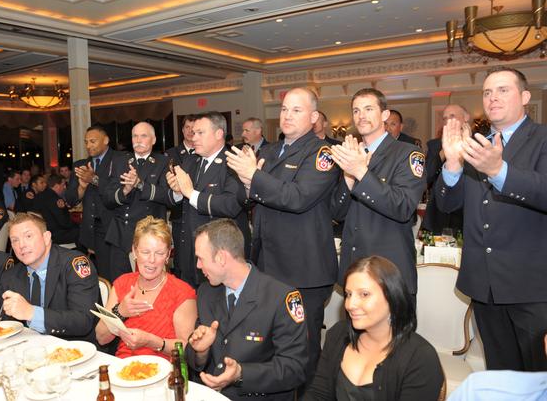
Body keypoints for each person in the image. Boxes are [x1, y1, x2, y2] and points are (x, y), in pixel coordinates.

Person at [435, 66, 547, 371]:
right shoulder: (476, 145)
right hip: (484, 284)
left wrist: (499, 172)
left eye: (502, 90)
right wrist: (454, 166)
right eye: (487, 92)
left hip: (530, 285)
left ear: (525, 96)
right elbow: (447, 204)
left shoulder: (542, 139)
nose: (492, 98)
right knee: (500, 371)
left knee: (537, 375)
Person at [225, 87, 339, 385]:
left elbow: (298, 197)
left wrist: (255, 176)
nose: (287, 115)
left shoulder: (322, 152)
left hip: (304, 269)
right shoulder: (270, 151)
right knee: (268, 343)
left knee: (302, 349)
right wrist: (248, 182)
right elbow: (246, 196)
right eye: (285, 109)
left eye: (296, 110)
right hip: (267, 264)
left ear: (314, 117)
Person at [187, 219, 309, 400]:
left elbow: (294, 368)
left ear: (221, 258)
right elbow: (194, 356)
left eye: (201, 258)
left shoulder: (281, 297)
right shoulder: (207, 292)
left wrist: (241, 374)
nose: (197, 265)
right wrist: (201, 352)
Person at [304, 256, 443, 400]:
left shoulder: (420, 358)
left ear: (392, 297)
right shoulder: (338, 334)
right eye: (348, 294)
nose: (350, 304)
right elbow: (317, 394)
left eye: (364, 294)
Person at [330, 88, 426, 299]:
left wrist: (361, 172)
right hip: (354, 271)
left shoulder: (408, 153)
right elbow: (336, 213)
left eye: (368, 109)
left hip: (388, 271)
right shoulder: (351, 154)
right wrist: (348, 178)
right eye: (356, 110)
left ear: (384, 115)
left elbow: (403, 207)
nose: (361, 116)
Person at [166, 112, 250, 288]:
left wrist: (189, 192)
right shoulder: (191, 161)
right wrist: (178, 192)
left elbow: (230, 205)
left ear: (219, 134)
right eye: (192, 132)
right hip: (190, 250)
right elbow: (180, 202)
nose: (193, 137)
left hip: (219, 254)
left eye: (200, 133)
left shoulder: (234, 162)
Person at [95, 216, 197, 358]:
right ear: (134, 251)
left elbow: (189, 351)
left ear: (168, 255)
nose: (152, 260)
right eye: (145, 252)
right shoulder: (122, 283)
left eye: (159, 253)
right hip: (124, 369)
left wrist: (151, 341)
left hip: (164, 373)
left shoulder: (182, 292)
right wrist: (120, 311)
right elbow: (101, 337)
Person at [0, 212, 99, 341]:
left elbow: (83, 321)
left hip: (73, 349)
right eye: (15, 240)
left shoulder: (73, 264)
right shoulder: (11, 276)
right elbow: (9, 326)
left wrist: (32, 313)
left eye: (28, 236)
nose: (21, 245)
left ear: (46, 238)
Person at [103, 122, 169, 281]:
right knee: (120, 284)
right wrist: (125, 190)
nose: (138, 140)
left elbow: (168, 196)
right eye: (135, 136)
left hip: (150, 236)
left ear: (153, 140)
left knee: (149, 284)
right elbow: (108, 198)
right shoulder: (120, 161)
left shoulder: (163, 162)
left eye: (143, 136)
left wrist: (139, 184)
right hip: (121, 234)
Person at [65, 126, 122, 281]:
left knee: (115, 276)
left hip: (114, 228)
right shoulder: (80, 165)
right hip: (90, 229)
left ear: (105, 140)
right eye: (86, 142)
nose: (88, 145)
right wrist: (82, 187)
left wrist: (94, 179)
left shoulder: (119, 160)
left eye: (93, 141)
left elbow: (118, 191)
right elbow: (70, 200)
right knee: (93, 278)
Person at [421, 104, 469, 235]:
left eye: (452, 116)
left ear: (466, 118)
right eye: (445, 118)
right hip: (438, 212)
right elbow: (427, 176)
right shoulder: (434, 145)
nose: (448, 121)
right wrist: (443, 153)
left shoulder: (477, 143)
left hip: (466, 213)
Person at [164, 115, 197, 278]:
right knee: (181, 261)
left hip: (198, 211)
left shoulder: (202, 152)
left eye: (194, 128)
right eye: (187, 127)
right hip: (178, 215)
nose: (191, 131)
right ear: (182, 130)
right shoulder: (171, 154)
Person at [34, 174, 78, 245]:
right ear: (57, 186)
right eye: (63, 185)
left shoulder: (39, 195)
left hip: (44, 232)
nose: (65, 187)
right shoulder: (55, 199)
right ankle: (80, 255)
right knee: (82, 231)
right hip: (55, 235)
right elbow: (64, 223)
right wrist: (77, 224)